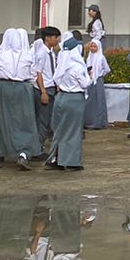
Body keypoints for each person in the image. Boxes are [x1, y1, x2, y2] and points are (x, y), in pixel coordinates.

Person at [0, 28, 43, 168]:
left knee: (0, 120)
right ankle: (24, 153)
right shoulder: (28, 56)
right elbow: (33, 75)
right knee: (25, 121)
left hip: (2, 88)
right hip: (23, 88)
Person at [46, 39, 89, 170]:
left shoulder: (62, 64)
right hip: (74, 99)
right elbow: (85, 84)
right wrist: (90, 77)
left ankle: (54, 158)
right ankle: (70, 161)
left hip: (61, 98)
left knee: (59, 130)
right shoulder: (77, 66)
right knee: (73, 131)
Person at [82, 39, 110, 130]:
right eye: (91, 46)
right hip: (89, 81)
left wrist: (100, 74)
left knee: (99, 101)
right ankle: (89, 122)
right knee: (90, 101)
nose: (93, 48)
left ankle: (99, 123)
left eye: (95, 46)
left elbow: (107, 69)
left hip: (98, 81)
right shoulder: (89, 57)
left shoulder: (101, 57)